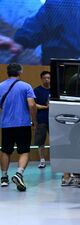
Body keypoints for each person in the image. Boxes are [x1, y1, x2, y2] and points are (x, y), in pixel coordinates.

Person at [0, 63, 37, 191]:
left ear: (7, 72)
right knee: (24, 151)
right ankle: (19, 174)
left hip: (6, 125)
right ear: (20, 72)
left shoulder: (0, 86)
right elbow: (32, 105)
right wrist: (33, 120)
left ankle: (4, 178)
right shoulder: (26, 86)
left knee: (5, 150)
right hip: (23, 124)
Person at [34, 71, 51, 168]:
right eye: (45, 78)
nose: (47, 80)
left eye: (48, 78)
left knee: (55, 140)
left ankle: (55, 160)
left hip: (54, 119)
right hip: (41, 119)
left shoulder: (55, 90)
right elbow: (33, 105)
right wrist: (45, 107)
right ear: (41, 78)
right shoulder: (37, 90)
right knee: (41, 141)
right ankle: (42, 160)